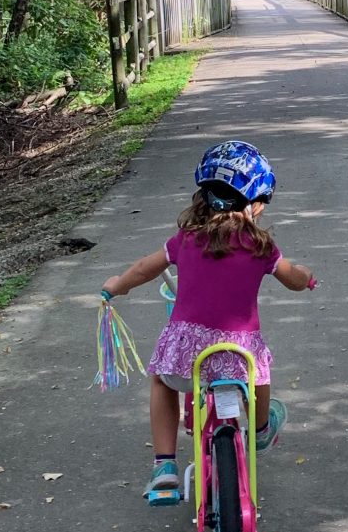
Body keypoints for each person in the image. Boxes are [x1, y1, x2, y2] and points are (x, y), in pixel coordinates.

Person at [98, 139, 316, 505]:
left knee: (161, 380)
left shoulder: (186, 240)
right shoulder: (261, 247)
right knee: (259, 370)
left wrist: (116, 287)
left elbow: (142, 269)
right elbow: (293, 279)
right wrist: (306, 277)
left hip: (187, 362)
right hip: (237, 359)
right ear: (254, 203)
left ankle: (165, 467)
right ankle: (260, 429)